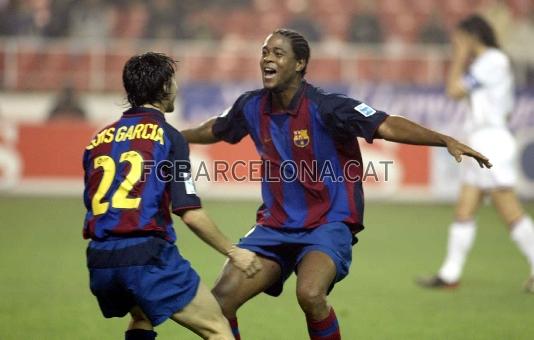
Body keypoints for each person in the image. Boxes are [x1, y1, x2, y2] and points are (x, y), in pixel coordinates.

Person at [181, 28, 491, 339]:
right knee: (220, 303)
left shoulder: (328, 107)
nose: (267, 59)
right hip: (274, 226)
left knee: (311, 294)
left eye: (277, 53)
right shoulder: (250, 106)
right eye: (264, 52)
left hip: (327, 223)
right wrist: (176, 136)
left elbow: (386, 124)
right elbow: (216, 129)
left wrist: (443, 139)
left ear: (300, 63)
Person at [82, 52, 262, 340]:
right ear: (165, 87)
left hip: (100, 260)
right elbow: (189, 212)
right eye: (174, 81)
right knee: (218, 329)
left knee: (141, 315)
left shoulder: (98, 139)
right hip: (145, 256)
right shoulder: (168, 136)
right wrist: (234, 251)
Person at [417, 15, 534, 292]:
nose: (456, 43)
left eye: (459, 38)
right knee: (465, 209)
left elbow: (454, 90)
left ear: (471, 36)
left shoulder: (492, 61)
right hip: (482, 140)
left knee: (509, 210)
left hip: (491, 140)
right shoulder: (490, 63)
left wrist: (459, 57)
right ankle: (449, 274)